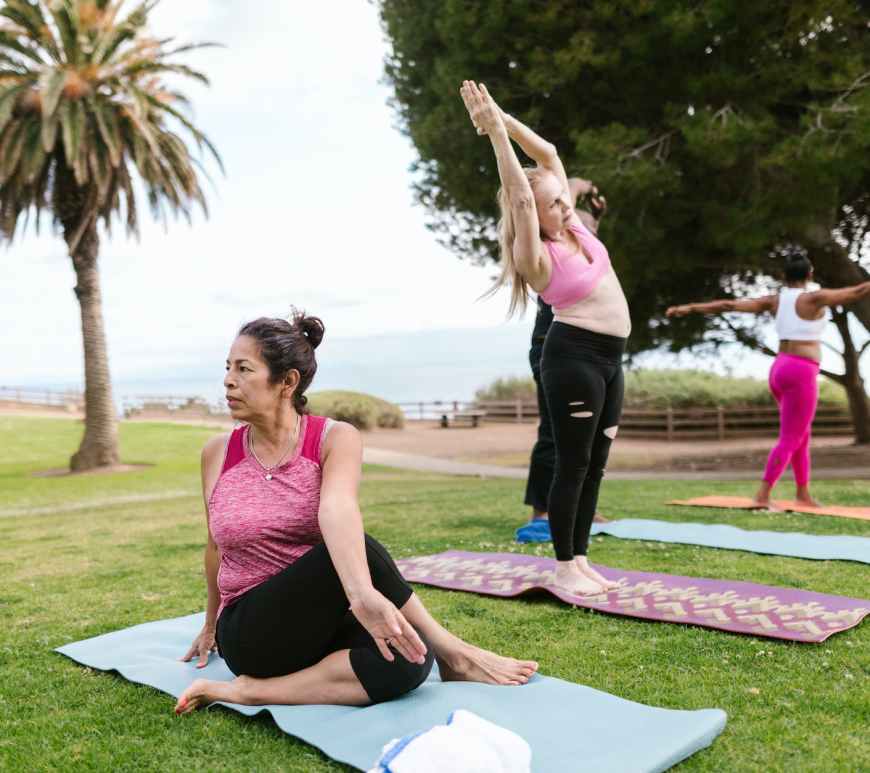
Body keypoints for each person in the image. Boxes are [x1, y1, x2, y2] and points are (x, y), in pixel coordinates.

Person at [175, 312, 538, 714]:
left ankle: (248, 692)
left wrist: (361, 596)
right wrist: (210, 625)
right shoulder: (217, 453)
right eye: (228, 368)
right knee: (354, 555)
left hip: (319, 623)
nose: (228, 380)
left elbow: (338, 509)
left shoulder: (334, 439)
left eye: (244, 369)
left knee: (411, 656)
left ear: (287, 382)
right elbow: (215, 548)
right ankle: (453, 650)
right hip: (252, 631)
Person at [461, 80, 631, 596]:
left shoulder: (580, 232)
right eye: (554, 204)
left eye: (563, 200)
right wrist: (494, 137)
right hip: (573, 356)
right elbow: (518, 193)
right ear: (533, 216)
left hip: (611, 358)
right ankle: (562, 567)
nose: (565, 207)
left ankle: (580, 559)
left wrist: (502, 115)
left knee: (596, 464)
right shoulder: (536, 259)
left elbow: (549, 153)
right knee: (572, 463)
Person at [666, 255, 870, 509]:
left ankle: (803, 494)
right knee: (791, 438)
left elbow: (730, 305)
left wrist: (690, 308)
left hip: (779, 369)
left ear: (785, 276)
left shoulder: (775, 300)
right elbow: (859, 290)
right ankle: (762, 495)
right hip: (800, 371)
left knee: (800, 436)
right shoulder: (814, 298)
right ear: (809, 274)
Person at [525, 180, 609, 524]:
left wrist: (597, 217)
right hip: (552, 346)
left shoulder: (586, 260)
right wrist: (578, 186)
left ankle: (578, 507)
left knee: (587, 434)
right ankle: (541, 510)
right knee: (554, 431)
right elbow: (561, 213)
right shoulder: (550, 249)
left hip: (585, 348)